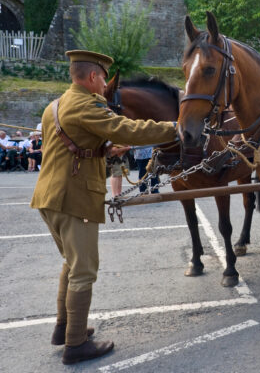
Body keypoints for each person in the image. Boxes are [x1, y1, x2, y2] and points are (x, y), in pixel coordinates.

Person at [30, 50, 177, 365]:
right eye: (103, 77)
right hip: (74, 198)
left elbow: (73, 146)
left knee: (71, 264)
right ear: (94, 77)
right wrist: (174, 128)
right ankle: (76, 344)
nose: (105, 84)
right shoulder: (87, 105)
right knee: (84, 270)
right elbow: (130, 129)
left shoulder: (55, 106)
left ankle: (64, 328)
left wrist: (105, 149)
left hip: (49, 197)